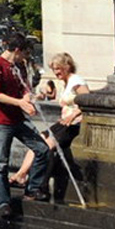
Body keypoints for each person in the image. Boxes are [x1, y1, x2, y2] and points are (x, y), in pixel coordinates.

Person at [0, 34, 51, 220]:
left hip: (18, 119)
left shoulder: (19, 66)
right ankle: (3, 202)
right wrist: (20, 103)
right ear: (16, 50)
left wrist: (29, 99)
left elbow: (25, 89)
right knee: (1, 164)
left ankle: (32, 189)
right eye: (24, 53)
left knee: (42, 149)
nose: (26, 57)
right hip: (1, 121)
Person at [40, 52, 88, 204]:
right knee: (40, 139)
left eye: (58, 68)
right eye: (54, 69)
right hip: (64, 123)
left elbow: (88, 102)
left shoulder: (76, 81)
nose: (55, 72)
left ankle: (42, 186)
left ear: (67, 66)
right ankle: (22, 175)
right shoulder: (66, 82)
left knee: (48, 145)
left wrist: (73, 115)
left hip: (75, 124)